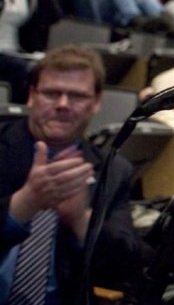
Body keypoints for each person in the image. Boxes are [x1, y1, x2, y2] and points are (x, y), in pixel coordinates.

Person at [0, 45, 140, 302]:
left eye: (76, 96)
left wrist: (81, 221)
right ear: (32, 96)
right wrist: (24, 204)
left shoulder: (114, 171)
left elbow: (126, 268)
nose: (63, 105)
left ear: (96, 102)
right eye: (52, 93)